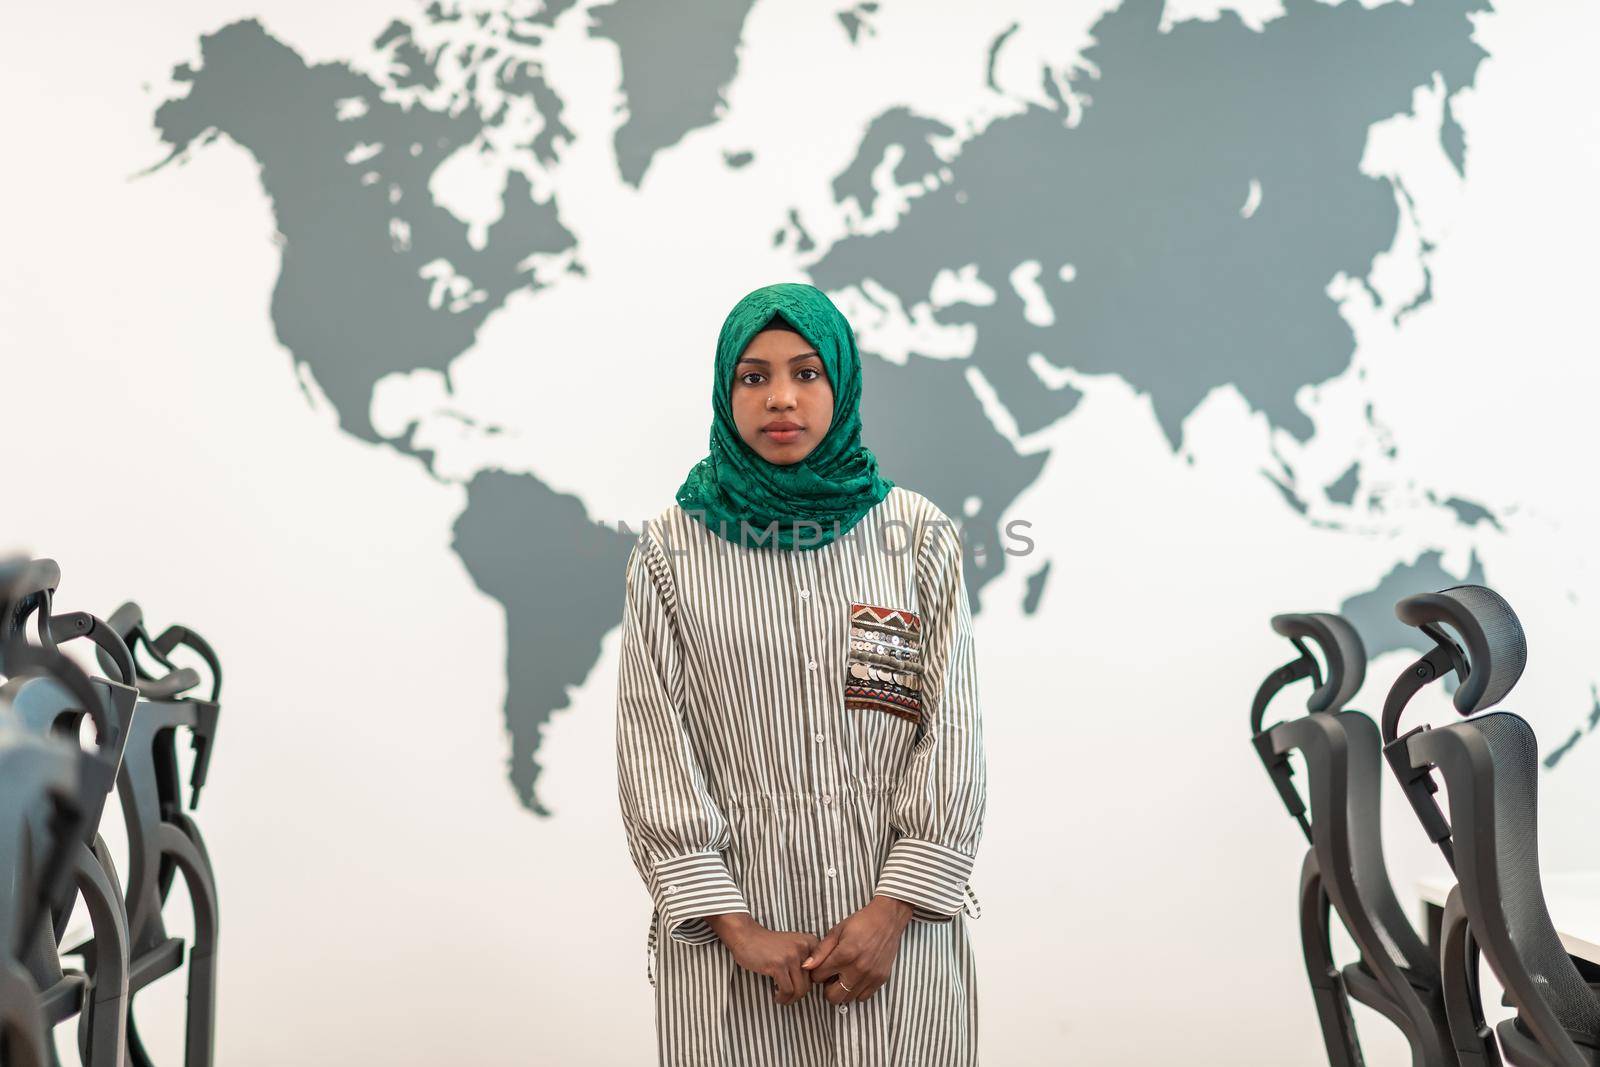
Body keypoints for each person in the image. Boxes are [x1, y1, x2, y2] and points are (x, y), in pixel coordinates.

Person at [615, 281, 987, 1066]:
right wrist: (734, 927)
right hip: (735, 952)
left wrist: (893, 911)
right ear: (726, 389)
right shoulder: (668, 551)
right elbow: (652, 742)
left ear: (841, 383)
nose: (781, 398)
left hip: (899, 940)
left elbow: (951, 729)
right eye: (754, 376)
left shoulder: (917, 538)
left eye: (807, 373)